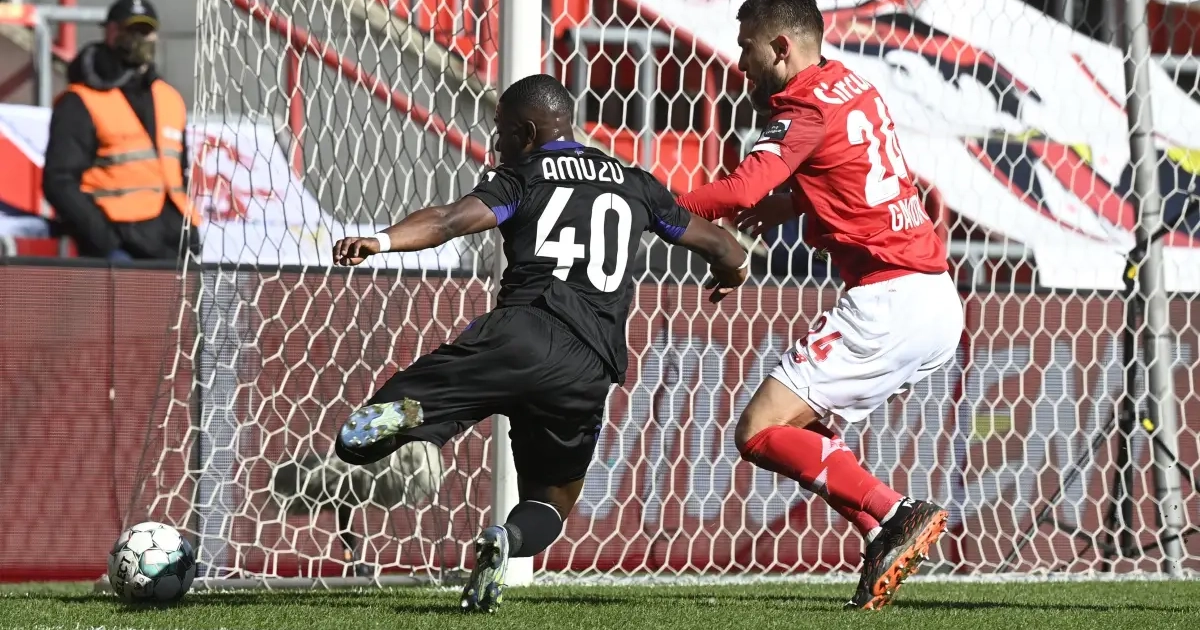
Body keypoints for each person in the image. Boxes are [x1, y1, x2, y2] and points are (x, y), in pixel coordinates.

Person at [330, 74, 749, 612]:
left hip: (520, 335)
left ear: (527, 133)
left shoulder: (522, 175)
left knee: (356, 443)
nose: (497, 142)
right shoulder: (636, 183)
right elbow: (721, 246)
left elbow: (450, 221)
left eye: (502, 131)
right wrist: (734, 271)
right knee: (552, 499)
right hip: (588, 366)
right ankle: (506, 539)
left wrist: (381, 240)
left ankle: (412, 416)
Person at [674, 0, 965, 610]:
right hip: (935, 294)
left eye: (748, 47)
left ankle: (895, 512)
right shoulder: (852, 84)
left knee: (758, 430)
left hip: (890, 298)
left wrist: (653, 206)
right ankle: (879, 534)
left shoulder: (801, 103)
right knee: (805, 429)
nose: (741, 62)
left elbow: (741, 188)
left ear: (781, 47)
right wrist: (791, 204)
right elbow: (853, 171)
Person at [42, 0, 200, 262]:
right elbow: (59, 182)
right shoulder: (80, 100)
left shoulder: (170, 98)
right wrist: (103, 239)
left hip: (174, 247)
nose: (139, 38)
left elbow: (178, 176)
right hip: (121, 250)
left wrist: (190, 232)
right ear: (110, 32)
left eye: (145, 31)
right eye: (131, 30)